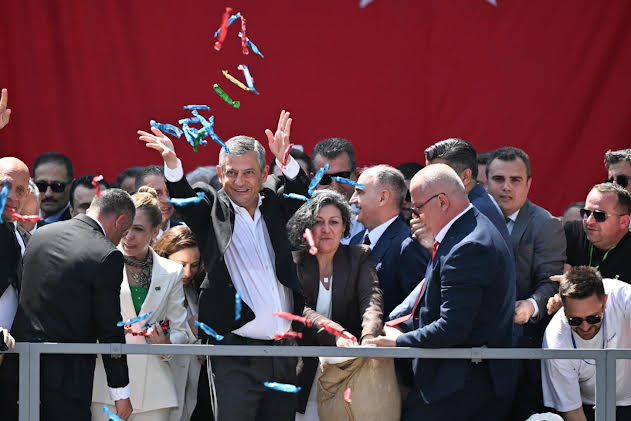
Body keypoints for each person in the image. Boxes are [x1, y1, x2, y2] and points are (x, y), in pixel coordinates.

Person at [139, 110, 310, 421]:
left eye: (248, 173)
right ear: (220, 173)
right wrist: (172, 165)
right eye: (232, 173)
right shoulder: (211, 206)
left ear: (264, 173)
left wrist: (286, 159)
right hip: (234, 356)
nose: (239, 182)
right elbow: (186, 199)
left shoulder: (274, 201)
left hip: (283, 354)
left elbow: (301, 193)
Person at [366, 163, 516, 421]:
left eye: (417, 208)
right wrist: (399, 325)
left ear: (442, 202)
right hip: (457, 382)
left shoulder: (468, 246)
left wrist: (399, 342)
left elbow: (453, 327)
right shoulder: (467, 231)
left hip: (460, 389)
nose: (414, 217)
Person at [8, 189, 134, 420]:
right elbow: (109, 328)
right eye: (124, 232)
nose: (120, 240)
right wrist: (120, 392)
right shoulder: (107, 254)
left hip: (18, 367)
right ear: (120, 221)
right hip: (67, 379)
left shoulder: (41, 234)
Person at [92, 187, 194, 421]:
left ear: (156, 230)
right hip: (106, 387)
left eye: (138, 229)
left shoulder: (172, 272)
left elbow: (181, 331)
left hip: (155, 393)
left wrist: (166, 343)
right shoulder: (99, 262)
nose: (129, 236)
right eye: (125, 228)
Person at [286, 190, 384, 419]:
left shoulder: (359, 256)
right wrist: (337, 334)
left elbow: (371, 296)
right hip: (303, 371)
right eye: (318, 222)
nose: (326, 229)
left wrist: (369, 336)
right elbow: (299, 309)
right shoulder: (294, 262)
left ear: (344, 227)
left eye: (334, 222)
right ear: (307, 227)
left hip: (349, 369)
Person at [486, 146, 566, 418]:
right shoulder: (472, 218)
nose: (506, 187)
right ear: (486, 182)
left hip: (522, 347)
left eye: (515, 180)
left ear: (529, 184)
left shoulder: (545, 224)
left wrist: (531, 306)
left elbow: (551, 281)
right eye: (499, 179)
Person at [542, 266, 631, 421]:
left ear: (605, 301)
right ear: (564, 310)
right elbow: (572, 411)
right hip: (589, 406)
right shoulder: (555, 340)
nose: (585, 327)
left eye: (593, 318)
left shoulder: (621, 295)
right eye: (575, 320)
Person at [349, 165, 429, 317]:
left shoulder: (407, 246)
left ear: (383, 197)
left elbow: (417, 310)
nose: (352, 200)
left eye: (359, 192)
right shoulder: (356, 240)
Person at [153, 225, 208, 421]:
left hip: (190, 385)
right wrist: (191, 332)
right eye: (181, 264)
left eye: (194, 265)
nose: (187, 272)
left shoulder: (193, 290)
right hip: (160, 382)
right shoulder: (154, 288)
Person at [423, 138, 511, 249]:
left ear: (465, 177)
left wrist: (430, 245)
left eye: (438, 175)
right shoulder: (474, 203)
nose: (429, 183)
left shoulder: (475, 211)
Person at [564, 184, 631, 283]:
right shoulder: (571, 233)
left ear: (623, 222)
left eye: (599, 215)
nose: (589, 221)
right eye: (586, 213)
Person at [311, 137, 364, 244]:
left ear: (356, 175)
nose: (334, 187)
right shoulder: (303, 220)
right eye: (325, 179)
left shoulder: (371, 217)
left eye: (342, 177)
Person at [135, 165, 183, 240]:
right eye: (157, 193)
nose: (166, 200)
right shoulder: (126, 237)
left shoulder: (186, 235)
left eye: (169, 192)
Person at [32, 151, 74, 225]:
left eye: (57, 186)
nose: (48, 194)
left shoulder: (78, 223)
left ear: (72, 186)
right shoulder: (19, 218)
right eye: (41, 186)